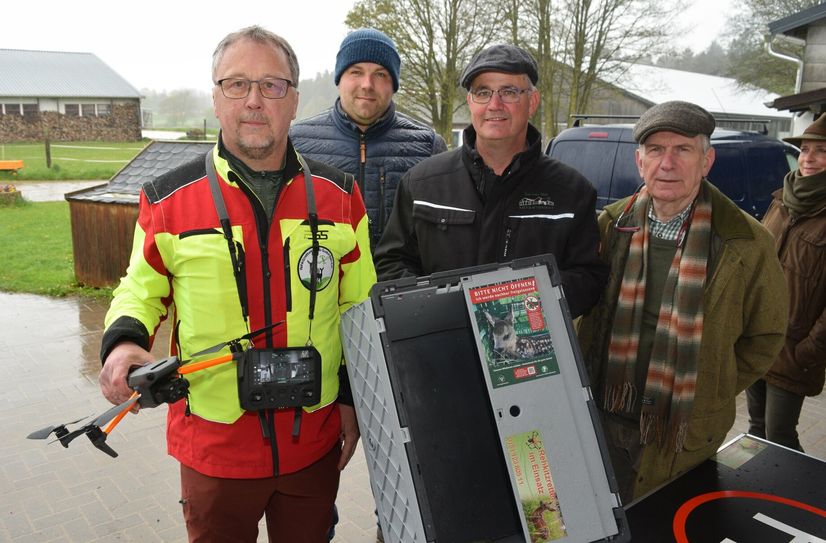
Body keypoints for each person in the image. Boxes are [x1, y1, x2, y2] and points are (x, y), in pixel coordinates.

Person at [97, 26, 376, 542]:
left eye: (272, 85)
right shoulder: (167, 199)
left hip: (312, 446)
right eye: (236, 84)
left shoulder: (341, 197)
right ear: (215, 97)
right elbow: (140, 288)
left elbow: (360, 310)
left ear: (294, 100)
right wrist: (123, 345)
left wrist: (352, 403)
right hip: (213, 454)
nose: (253, 101)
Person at [576, 100, 788, 504]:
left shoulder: (746, 243)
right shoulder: (611, 225)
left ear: (707, 160)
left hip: (683, 434)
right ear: (640, 162)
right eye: (656, 150)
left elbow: (766, 337)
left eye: (682, 150)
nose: (667, 163)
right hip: (602, 418)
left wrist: (712, 383)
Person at [374, 44, 608, 319]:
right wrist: (438, 308)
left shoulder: (571, 193)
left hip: (532, 349)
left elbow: (588, 278)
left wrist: (523, 304)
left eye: (509, 92)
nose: (494, 105)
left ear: (532, 102)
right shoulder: (422, 183)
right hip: (442, 346)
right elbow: (392, 262)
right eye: (483, 92)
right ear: (471, 102)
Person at [290, 28, 447, 248]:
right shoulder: (295, 143)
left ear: (393, 84)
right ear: (339, 79)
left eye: (380, 74)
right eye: (356, 72)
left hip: (400, 281)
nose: (367, 84)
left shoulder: (428, 147)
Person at [746, 115, 826, 452]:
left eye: (821, 151)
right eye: (805, 150)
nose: (808, 158)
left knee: (780, 436)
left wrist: (808, 350)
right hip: (757, 338)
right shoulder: (781, 201)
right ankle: (755, 497)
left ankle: (797, 500)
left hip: (793, 349)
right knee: (755, 429)